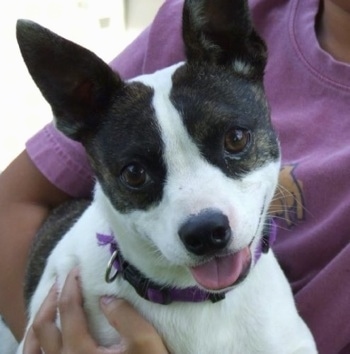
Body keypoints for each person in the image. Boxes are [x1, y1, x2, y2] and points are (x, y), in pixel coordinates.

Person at [0, 0, 349, 353]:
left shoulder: (273, 313)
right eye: (136, 174)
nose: (198, 213)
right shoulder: (76, 289)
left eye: (234, 141)